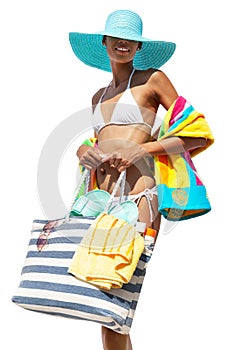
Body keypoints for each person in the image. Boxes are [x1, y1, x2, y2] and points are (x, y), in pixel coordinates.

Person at [69, 9, 211, 350]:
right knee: (103, 307)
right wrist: (82, 152)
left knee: (114, 302)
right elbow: (100, 142)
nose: (123, 44)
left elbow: (196, 133)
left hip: (138, 201)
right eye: (116, 37)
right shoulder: (97, 97)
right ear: (104, 42)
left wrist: (142, 150)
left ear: (139, 45)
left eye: (131, 39)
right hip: (98, 203)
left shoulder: (153, 79)